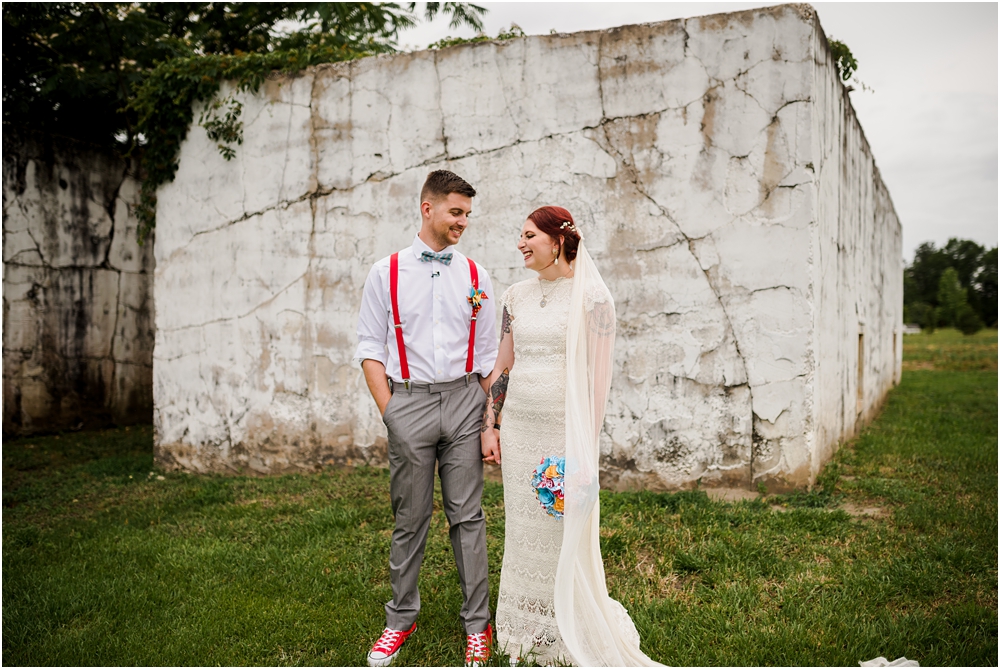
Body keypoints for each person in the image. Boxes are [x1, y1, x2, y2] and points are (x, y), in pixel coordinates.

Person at [480, 206, 662, 666]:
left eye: (528, 236)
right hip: (520, 429)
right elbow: (503, 366)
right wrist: (492, 425)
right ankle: (525, 627)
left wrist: (582, 450)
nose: (520, 244)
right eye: (519, 236)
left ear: (557, 240)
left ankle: (569, 625)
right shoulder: (514, 297)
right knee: (523, 529)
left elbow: (597, 382)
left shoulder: (593, 299)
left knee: (564, 529)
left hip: (564, 434)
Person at [355, 170, 498, 667]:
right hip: (407, 403)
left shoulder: (476, 276)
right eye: (455, 212)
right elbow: (370, 348)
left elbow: (488, 356)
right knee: (410, 518)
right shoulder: (385, 272)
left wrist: (481, 414)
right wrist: (391, 411)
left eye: (467, 214)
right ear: (427, 208)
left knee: (468, 517)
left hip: (463, 401)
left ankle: (478, 627)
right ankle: (400, 618)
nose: (462, 222)